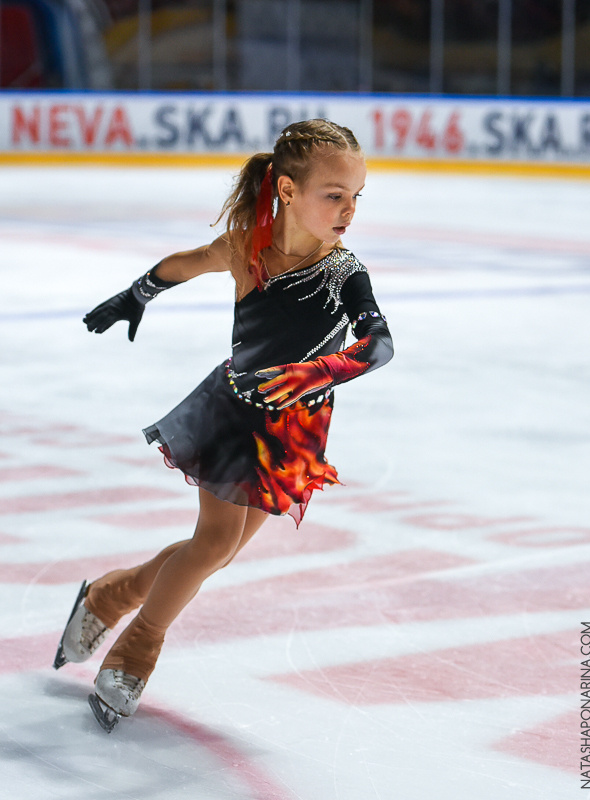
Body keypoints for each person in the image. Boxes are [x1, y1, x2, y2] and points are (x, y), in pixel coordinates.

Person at [53, 119, 393, 731]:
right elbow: (190, 261)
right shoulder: (247, 248)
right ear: (287, 190)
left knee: (218, 552)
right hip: (233, 413)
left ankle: (110, 595)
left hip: (293, 432)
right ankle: (136, 650)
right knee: (210, 544)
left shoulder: (344, 272)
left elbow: (378, 346)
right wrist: (138, 293)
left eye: (356, 197)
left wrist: (311, 376)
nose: (348, 211)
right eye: (334, 195)